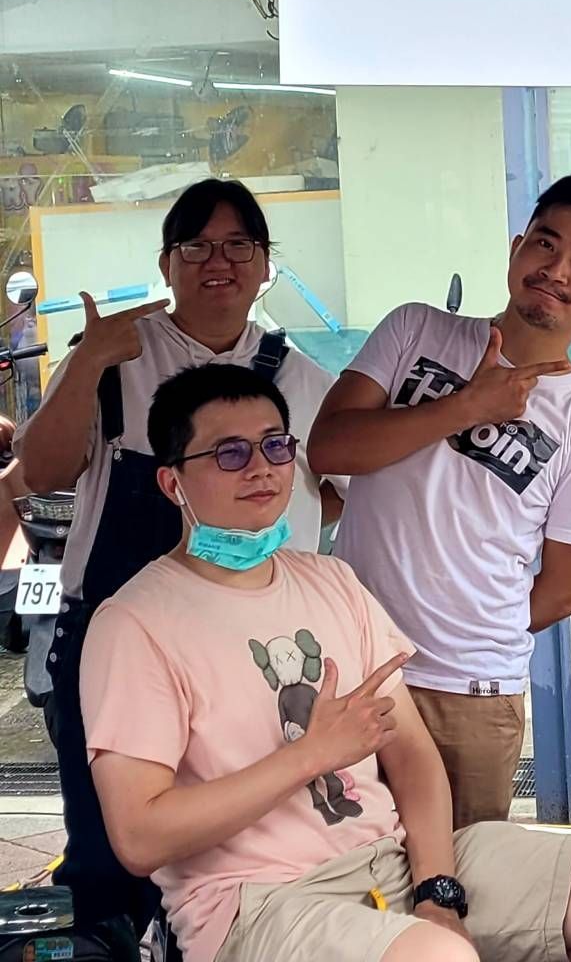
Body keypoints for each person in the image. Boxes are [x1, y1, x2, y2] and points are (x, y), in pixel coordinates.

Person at [81, 363, 571, 962]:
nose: (261, 468)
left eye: (275, 446)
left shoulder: (333, 582)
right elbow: (139, 837)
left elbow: (414, 757)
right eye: (230, 453)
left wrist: (437, 891)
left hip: (394, 866)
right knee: (442, 957)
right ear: (172, 483)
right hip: (259, 904)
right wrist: (309, 756)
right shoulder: (135, 623)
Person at [14, 178, 346, 942]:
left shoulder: (305, 381)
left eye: (238, 245)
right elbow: (41, 469)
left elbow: (338, 494)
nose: (217, 261)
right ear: (167, 264)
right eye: (196, 246)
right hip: (110, 638)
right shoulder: (117, 356)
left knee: (234, 840)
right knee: (110, 853)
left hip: (245, 651)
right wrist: (90, 360)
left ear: (265, 264)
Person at [308, 171, 571, 827]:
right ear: (517, 249)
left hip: (470, 694)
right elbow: (330, 449)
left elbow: (565, 591)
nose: (555, 270)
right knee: (338, 866)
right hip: (353, 667)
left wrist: (466, 632)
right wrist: (465, 407)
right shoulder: (415, 332)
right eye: (545, 244)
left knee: (454, 874)